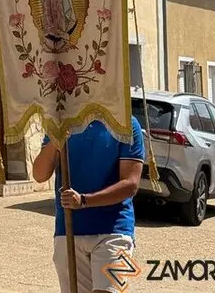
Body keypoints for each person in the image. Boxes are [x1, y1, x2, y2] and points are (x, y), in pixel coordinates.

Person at [32, 115, 145, 293]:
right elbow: (39, 174)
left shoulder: (128, 123)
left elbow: (130, 184)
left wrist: (84, 200)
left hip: (116, 232)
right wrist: (55, 140)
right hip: (68, 231)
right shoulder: (61, 123)